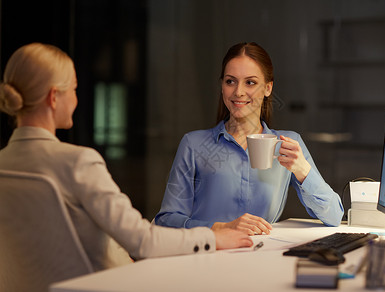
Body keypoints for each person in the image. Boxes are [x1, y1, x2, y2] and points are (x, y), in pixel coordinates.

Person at [0, 43, 253, 271]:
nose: (77, 99)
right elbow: (143, 241)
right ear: (54, 97)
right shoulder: (78, 163)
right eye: (75, 89)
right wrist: (214, 238)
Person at [155, 42, 344, 235]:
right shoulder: (193, 145)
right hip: (209, 256)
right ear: (222, 86)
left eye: (250, 82)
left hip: (262, 256)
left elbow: (334, 216)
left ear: (268, 88)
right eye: (230, 81)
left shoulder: (288, 144)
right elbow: (167, 220)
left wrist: (303, 170)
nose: (238, 92)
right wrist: (221, 228)